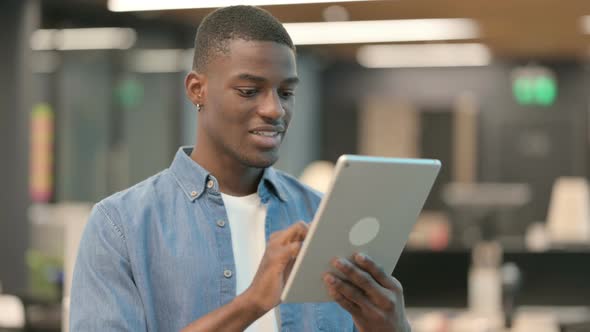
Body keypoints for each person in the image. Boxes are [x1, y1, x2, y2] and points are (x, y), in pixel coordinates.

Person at [70, 5, 411, 332]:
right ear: (196, 89)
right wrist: (251, 303)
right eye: (249, 91)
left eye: (287, 92)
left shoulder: (325, 216)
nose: (274, 109)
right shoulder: (121, 227)